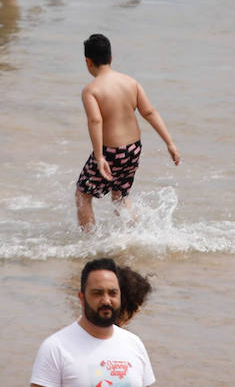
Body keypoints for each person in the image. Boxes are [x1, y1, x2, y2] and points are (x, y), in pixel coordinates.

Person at [74, 33, 180, 229]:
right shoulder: (131, 82)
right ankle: (134, 234)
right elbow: (149, 112)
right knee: (120, 196)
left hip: (110, 151)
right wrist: (170, 143)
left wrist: (99, 157)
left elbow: (95, 120)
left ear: (87, 61)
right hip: (133, 149)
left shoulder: (91, 90)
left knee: (83, 194)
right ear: (111, 58)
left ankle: (89, 241)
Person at [30, 257, 156, 387]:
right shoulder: (55, 348)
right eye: (98, 293)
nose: (106, 300)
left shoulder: (135, 344)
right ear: (82, 298)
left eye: (112, 293)